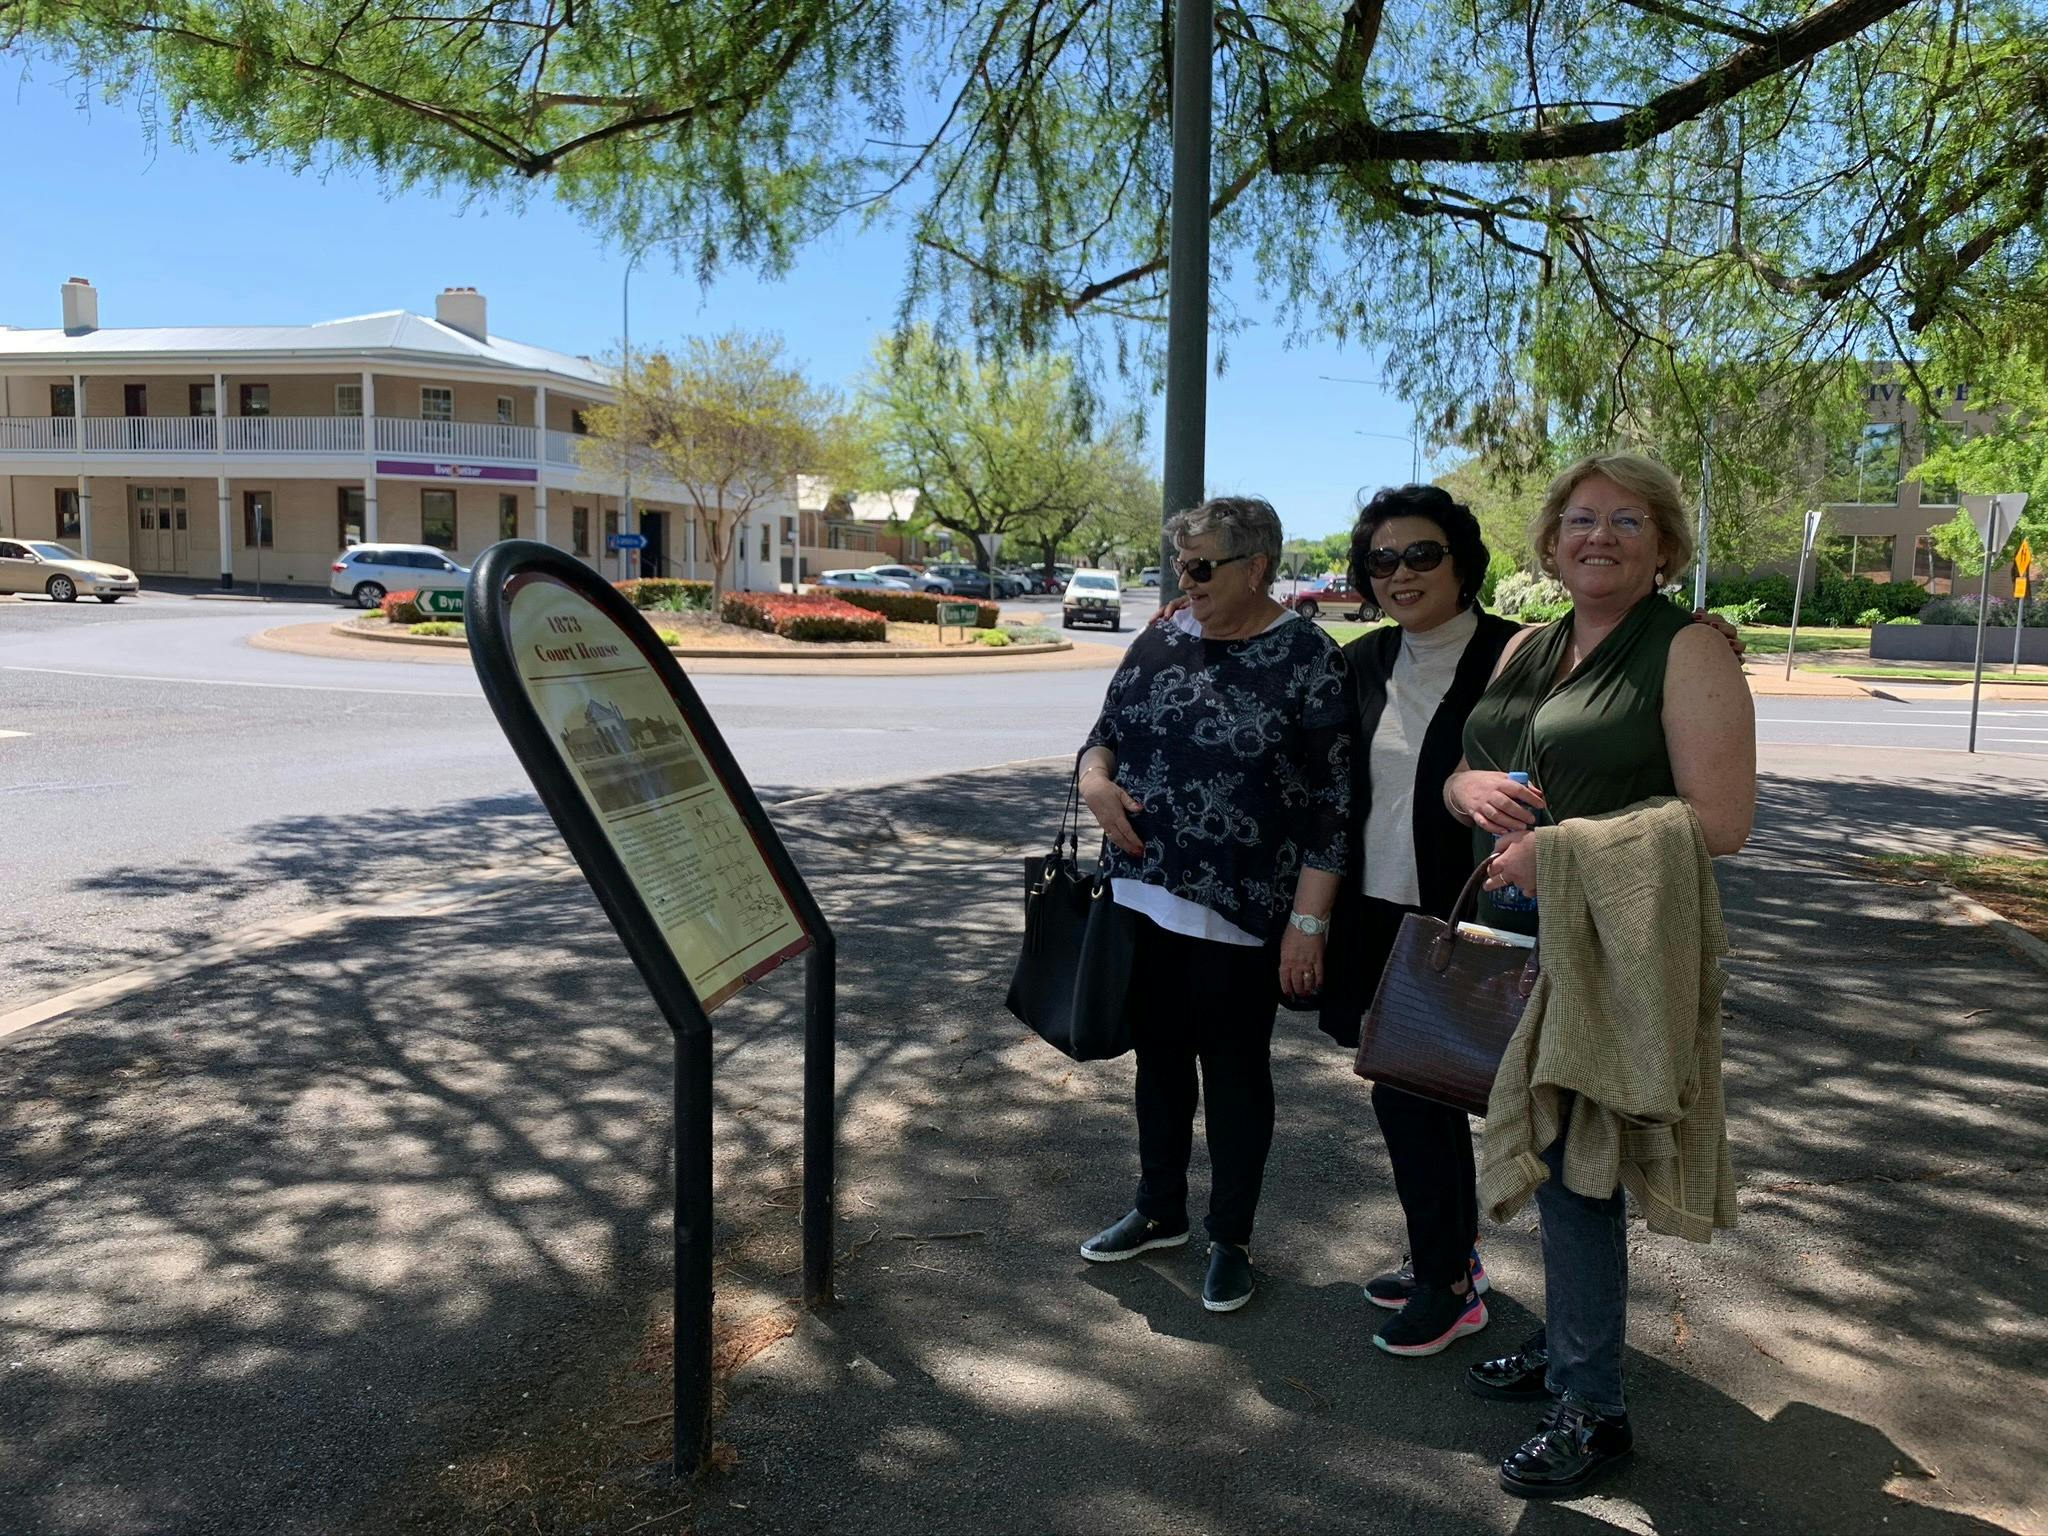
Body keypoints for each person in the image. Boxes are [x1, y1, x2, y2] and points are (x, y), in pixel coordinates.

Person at [1446, 451, 1756, 1499]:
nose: (1600, 537)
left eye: (1629, 523)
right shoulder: (1529, 645)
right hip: (1505, 936)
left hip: (1606, 945)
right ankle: (1571, 1347)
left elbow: (1720, 822)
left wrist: (1561, 849)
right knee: (1536, 1148)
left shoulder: (1687, 650)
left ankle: (1592, 1407)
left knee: (1579, 1174)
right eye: (1581, 519)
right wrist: (1467, 788)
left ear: (1664, 547)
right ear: (1550, 538)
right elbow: (1463, 766)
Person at [1074, 496, 1351, 1313]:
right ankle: (1159, 1209)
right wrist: (1093, 781)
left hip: (1242, 908)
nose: (1184, 580)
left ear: (1257, 566)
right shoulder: (1161, 637)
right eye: (1180, 565)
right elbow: (1106, 731)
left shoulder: (1308, 658)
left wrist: (1309, 923)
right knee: (1158, 1060)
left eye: (1202, 566)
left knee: (1233, 1075)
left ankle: (1231, 1237)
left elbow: (1336, 805)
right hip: (1141, 895)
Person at [1312, 486, 1519, 1358]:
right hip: (1374, 912)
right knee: (1408, 1097)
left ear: (1463, 561)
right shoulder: (1361, 662)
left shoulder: (1520, 654)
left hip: (1467, 916)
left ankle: (1448, 1280)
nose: (1400, 573)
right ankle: (1448, 1259)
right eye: (1382, 560)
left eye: (1422, 554)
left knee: (1423, 1095)